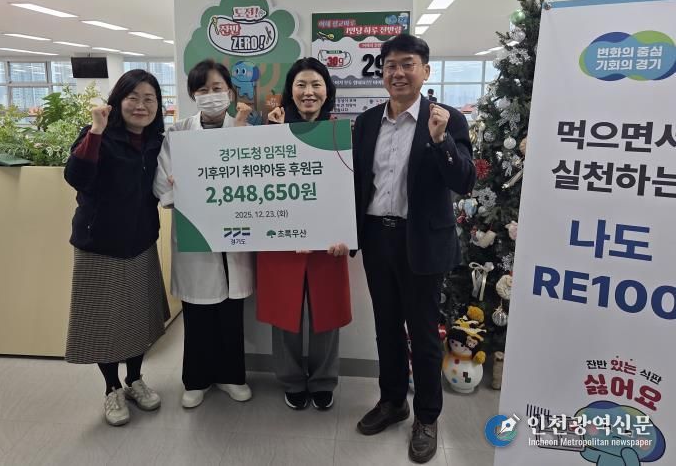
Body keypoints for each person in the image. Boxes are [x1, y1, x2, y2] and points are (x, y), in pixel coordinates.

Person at [351, 34, 476, 463]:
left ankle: (426, 415)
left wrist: (441, 142)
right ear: (382, 72)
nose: (398, 73)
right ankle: (392, 402)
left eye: (407, 64)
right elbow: (356, 181)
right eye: (390, 65)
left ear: (425, 70)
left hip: (422, 240)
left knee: (422, 334)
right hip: (376, 237)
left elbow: (465, 181)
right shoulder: (368, 122)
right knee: (385, 327)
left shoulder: (446, 119)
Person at [64, 69, 170, 427]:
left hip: (140, 240)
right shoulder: (98, 135)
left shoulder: (157, 141)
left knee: (138, 316)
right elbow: (76, 177)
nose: (141, 105)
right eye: (133, 97)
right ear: (117, 101)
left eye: (149, 99)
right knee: (104, 321)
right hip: (100, 243)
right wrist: (96, 130)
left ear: (158, 105)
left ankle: (135, 379)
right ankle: (112, 388)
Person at [154, 59, 255, 409]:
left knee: (231, 315)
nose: (211, 95)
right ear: (192, 95)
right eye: (202, 89)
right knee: (197, 316)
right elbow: (163, 184)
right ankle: (196, 380)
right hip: (196, 235)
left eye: (217, 88)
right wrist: (177, 187)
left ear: (230, 92)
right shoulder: (178, 133)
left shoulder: (246, 130)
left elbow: (254, 177)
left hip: (235, 236)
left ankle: (232, 377)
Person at [258, 57, 351, 411]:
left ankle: (324, 379)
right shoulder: (271, 129)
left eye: (316, 84)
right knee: (286, 313)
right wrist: (272, 133)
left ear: (327, 91)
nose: (308, 92)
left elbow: (351, 188)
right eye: (301, 85)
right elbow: (259, 185)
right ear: (290, 91)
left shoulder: (340, 132)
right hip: (283, 240)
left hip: (329, 241)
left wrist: (346, 234)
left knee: (327, 312)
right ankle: (292, 379)